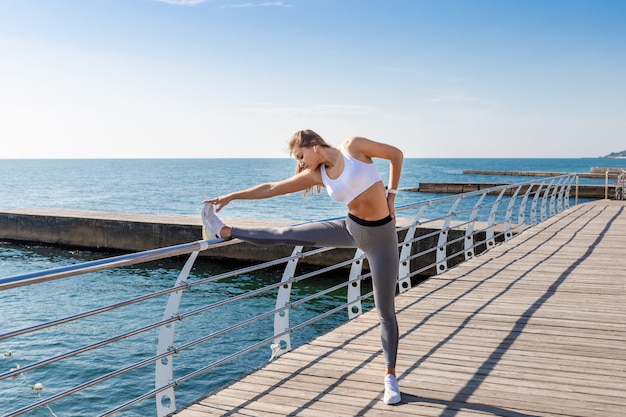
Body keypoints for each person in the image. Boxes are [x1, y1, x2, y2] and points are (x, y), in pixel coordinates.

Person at [202, 129, 403, 405]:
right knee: (286, 233)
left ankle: (390, 377)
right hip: (350, 229)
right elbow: (272, 188)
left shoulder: (353, 147)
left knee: (385, 311)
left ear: (314, 145)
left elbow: (395, 154)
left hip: (382, 240)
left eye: (300, 156)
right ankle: (224, 231)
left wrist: (391, 195)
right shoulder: (318, 174)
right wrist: (232, 196)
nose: (301, 163)